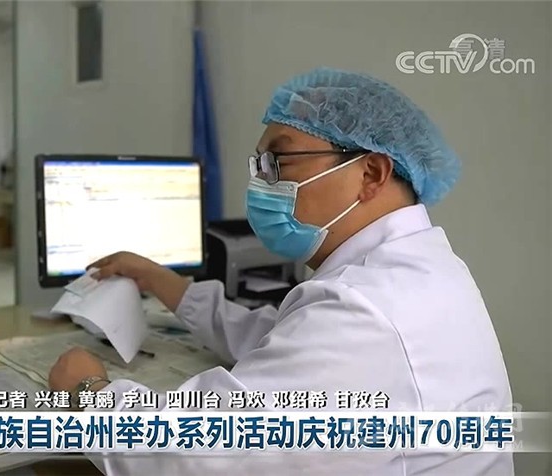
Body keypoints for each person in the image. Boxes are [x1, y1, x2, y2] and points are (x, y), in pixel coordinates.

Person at [48, 67, 513, 474]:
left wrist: (89, 392)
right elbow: (280, 341)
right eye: (259, 166)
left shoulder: (366, 312)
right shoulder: (412, 270)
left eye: (279, 161)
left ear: (371, 173)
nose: (260, 184)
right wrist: (160, 280)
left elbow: (190, 457)